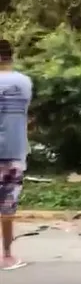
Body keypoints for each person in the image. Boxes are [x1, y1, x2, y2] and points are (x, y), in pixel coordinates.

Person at [0, 39, 32, 270]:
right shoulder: (24, 82)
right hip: (13, 151)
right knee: (7, 205)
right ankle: (7, 256)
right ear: (12, 56)